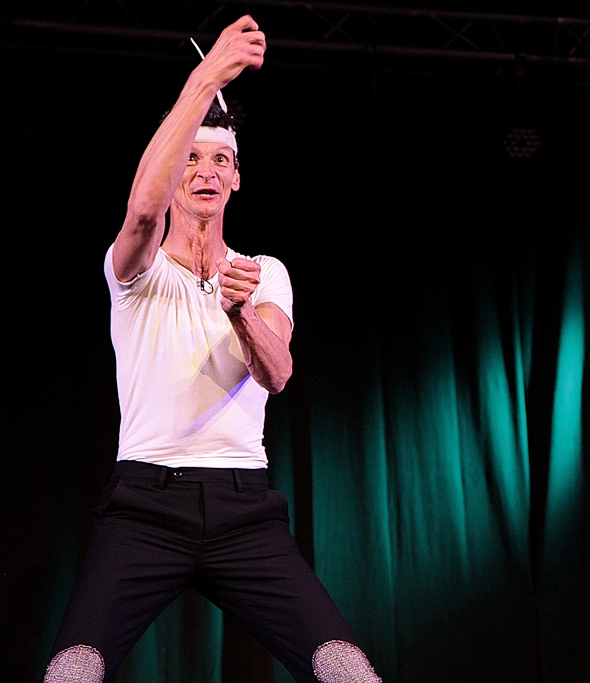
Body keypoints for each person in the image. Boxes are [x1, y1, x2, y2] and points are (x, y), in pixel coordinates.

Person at [43, 16, 381, 683]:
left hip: (242, 511)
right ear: (174, 174)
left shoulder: (263, 273)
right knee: (71, 672)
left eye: (220, 158)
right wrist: (205, 80)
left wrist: (238, 311)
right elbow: (142, 212)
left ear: (236, 180)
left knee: (349, 671)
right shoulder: (135, 272)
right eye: (191, 158)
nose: (206, 169)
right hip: (144, 505)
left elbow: (277, 372)